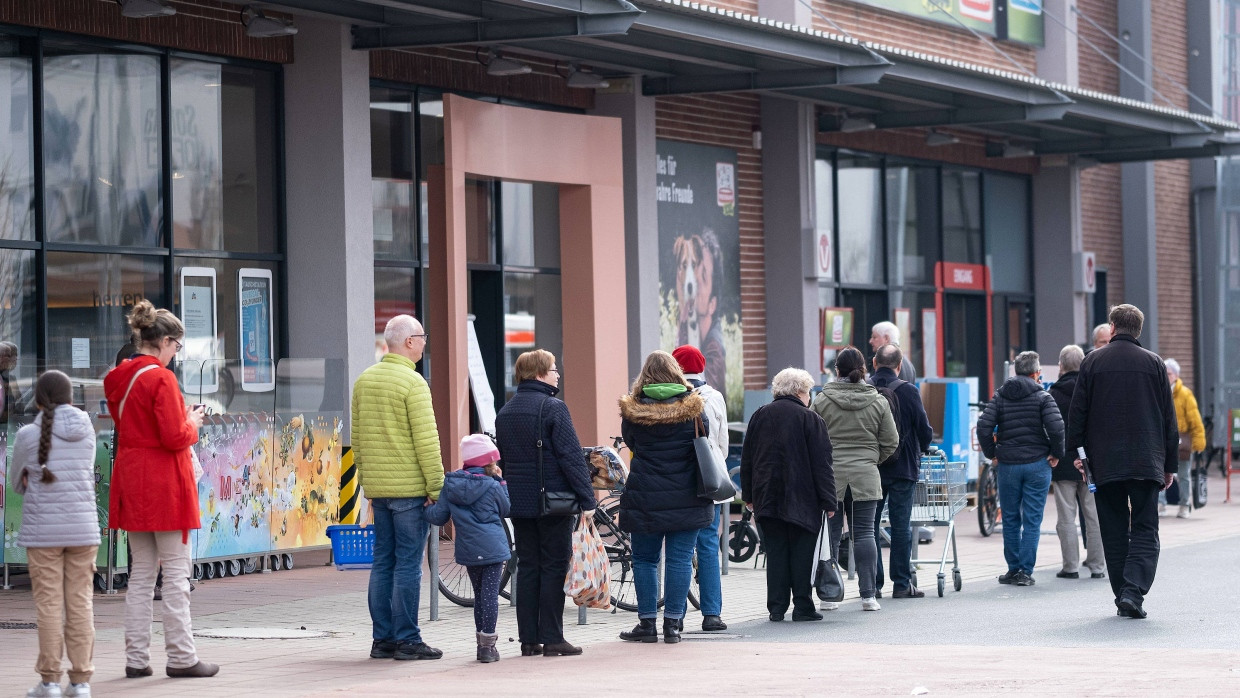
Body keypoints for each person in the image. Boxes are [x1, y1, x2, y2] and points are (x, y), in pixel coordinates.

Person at [103, 300, 215, 678]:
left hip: (132, 479)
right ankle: (182, 657)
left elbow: (138, 427)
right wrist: (192, 421)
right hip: (165, 482)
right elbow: (173, 437)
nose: (176, 354)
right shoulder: (161, 378)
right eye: (177, 346)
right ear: (164, 341)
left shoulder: (118, 377)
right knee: (177, 575)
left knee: (140, 576)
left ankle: (136, 659)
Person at [1067, 304, 1179, 619]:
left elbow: (1078, 413)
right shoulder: (1155, 364)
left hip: (1105, 463)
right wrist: (1169, 465)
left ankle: (1123, 594)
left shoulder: (1092, 362)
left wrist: (1079, 455)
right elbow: (1169, 420)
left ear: (1113, 327)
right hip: (1147, 460)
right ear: (1138, 330)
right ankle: (1133, 592)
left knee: (1113, 530)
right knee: (1145, 528)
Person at [350, 314, 444, 661]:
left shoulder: (364, 381)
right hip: (409, 489)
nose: (424, 342)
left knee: (382, 562)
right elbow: (427, 442)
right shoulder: (413, 383)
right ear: (408, 342)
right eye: (422, 336)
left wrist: (369, 481)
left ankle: (383, 639)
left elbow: (357, 440)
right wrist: (437, 486)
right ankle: (408, 640)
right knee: (408, 564)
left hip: (378, 489)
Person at [494, 349, 595, 657]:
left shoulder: (506, 412)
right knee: (553, 567)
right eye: (553, 370)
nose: (557, 374)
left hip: (520, 504)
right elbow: (571, 458)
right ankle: (552, 637)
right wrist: (587, 498)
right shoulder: (553, 408)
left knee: (527, 567)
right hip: (553, 503)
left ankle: (528, 640)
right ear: (538, 373)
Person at [9, 371, 99, 698]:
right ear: (71, 398)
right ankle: (81, 682)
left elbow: (18, 483)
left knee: (48, 605)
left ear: (38, 399)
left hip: (43, 533)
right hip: (83, 530)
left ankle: (49, 682)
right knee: (80, 604)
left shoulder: (27, 435)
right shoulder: (88, 429)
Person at [617, 351, 713, 643]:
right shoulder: (694, 407)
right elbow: (703, 437)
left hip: (646, 495)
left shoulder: (633, 411)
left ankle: (647, 624)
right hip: (687, 494)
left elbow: (631, 443)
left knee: (645, 560)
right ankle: (673, 623)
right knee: (680, 559)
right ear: (676, 372)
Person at [740, 368, 836, 622]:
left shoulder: (759, 416)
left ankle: (776, 607)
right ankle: (803, 606)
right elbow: (822, 464)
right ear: (798, 391)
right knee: (802, 553)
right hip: (803, 498)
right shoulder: (810, 419)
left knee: (777, 552)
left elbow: (747, 458)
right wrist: (828, 499)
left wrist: (748, 495)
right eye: (808, 392)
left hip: (767, 496)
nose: (809, 397)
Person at [811, 346, 897, 612]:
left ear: (836, 370)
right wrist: (872, 460)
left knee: (831, 536)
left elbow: (813, 440)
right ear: (864, 369)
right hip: (867, 475)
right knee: (864, 534)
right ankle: (869, 595)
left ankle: (828, 595)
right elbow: (891, 441)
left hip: (831, 476)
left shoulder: (822, 401)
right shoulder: (878, 401)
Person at [976, 350, 1063, 587]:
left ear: (1016, 371)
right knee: (1032, 520)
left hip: (1009, 466)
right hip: (1037, 464)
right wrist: (1056, 453)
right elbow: (1057, 428)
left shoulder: (1001, 396)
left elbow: (984, 425)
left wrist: (992, 454)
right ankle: (1025, 571)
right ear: (1036, 373)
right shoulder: (1043, 397)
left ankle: (1012, 569)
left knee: (1011, 518)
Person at [426, 434, 511, 664]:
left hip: (469, 550)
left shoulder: (451, 485)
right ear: (488, 463)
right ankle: (488, 647)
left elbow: (438, 516)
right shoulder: (493, 486)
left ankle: (479, 646)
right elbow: (506, 509)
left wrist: (425, 508)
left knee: (479, 595)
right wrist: (502, 483)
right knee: (490, 595)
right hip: (493, 548)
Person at [868, 344, 933, 600]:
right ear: (900, 364)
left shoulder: (865, 389)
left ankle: (873, 584)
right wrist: (923, 447)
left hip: (872, 468)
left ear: (874, 363)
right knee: (900, 526)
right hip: (903, 467)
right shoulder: (909, 391)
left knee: (869, 527)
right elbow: (924, 428)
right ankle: (902, 584)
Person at [672, 344, 729, 632]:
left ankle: (676, 614)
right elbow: (722, 443)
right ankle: (712, 614)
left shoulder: (671, 397)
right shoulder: (714, 396)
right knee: (708, 545)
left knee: (679, 549)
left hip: (679, 482)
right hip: (708, 480)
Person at [1047, 345, 1105, 580]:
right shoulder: (1092, 392)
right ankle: (1097, 565)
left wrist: (1054, 452)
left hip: (1062, 462)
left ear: (1061, 366)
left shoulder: (1053, 394)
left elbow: (1051, 429)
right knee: (1094, 515)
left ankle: (1070, 567)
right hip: (1090, 462)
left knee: (1066, 517)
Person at [1161, 358, 1205, 519]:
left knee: (1184, 474)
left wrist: (1199, 442)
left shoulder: (1185, 394)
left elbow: (1195, 419)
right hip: (1164, 439)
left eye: (1169, 373)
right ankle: (1161, 504)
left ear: (1177, 375)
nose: (1166, 376)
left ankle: (1184, 504)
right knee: (1159, 472)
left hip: (1183, 440)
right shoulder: (1159, 391)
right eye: (1164, 373)